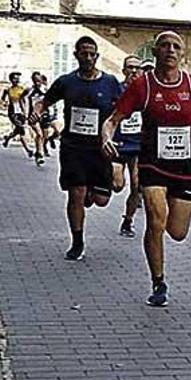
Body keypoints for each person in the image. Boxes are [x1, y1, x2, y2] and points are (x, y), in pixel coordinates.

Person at [101, 31, 191, 306]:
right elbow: (113, 119)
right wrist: (106, 136)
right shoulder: (143, 85)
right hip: (153, 162)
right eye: (164, 45)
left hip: (185, 164)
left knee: (177, 232)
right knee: (156, 220)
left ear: (183, 54)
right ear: (155, 52)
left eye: (176, 46)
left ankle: (162, 239)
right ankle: (158, 282)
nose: (170, 50)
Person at [30, 37, 123, 261]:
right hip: (73, 147)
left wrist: (119, 150)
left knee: (100, 200)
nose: (88, 58)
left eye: (92, 54)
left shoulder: (110, 82)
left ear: (97, 56)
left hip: (99, 149)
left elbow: (122, 112)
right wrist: (37, 111)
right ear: (76, 55)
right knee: (76, 193)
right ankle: (77, 241)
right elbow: (44, 102)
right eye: (84, 54)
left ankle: (92, 191)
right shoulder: (66, 82)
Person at [114, 55, 144, 238]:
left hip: (137, 147)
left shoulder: (145, 92)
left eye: (137, 68)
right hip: (118, 145)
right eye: (130, 67)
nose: (133, 71)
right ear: (124, 70)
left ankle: (128, 220)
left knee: (137, 186)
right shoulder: (116, 89)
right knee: (117, 185)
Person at [2, 71, 34, 159]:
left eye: (18, 78)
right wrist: (4, 103)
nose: (17, 80)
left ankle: (7, 138)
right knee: (21, 130)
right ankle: (28, 150)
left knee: (18, 130)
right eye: (15, 78)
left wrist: (26, 112)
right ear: (11, 80)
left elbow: (25, 99)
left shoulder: (22, 88)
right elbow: (3, 100)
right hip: (13, 113)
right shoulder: (8, 90)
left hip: (21, 112)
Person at [24, 71, 50, 165]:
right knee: (39, 134)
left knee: (45, 136)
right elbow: (23, 99)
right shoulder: (29, 90)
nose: (37, 83)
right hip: (33, 116)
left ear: (41, 80)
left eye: (38, 80)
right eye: (35, 81)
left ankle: (40, 150)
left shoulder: (46, 90)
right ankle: (40, 154)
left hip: (44, 115)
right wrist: (25, 113)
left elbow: (51, 101)